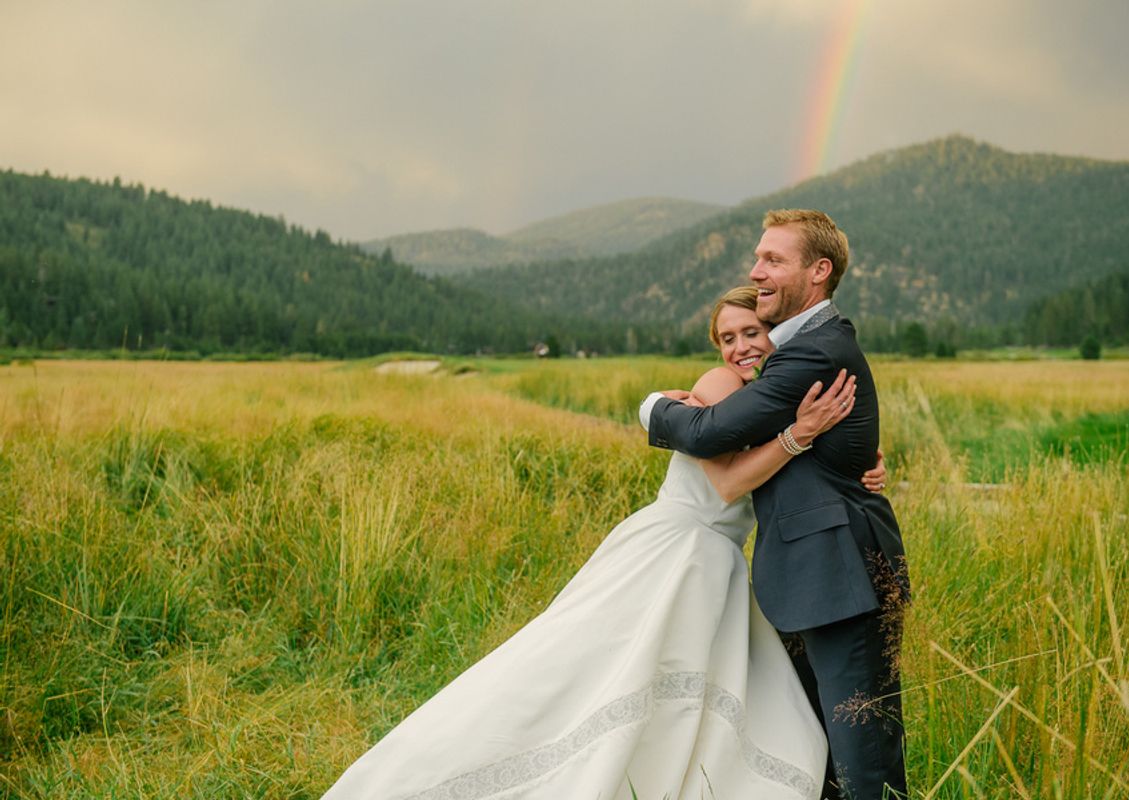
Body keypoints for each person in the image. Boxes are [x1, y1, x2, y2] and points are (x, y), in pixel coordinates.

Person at [320, 287, 887, 800]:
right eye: (727, 338)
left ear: (773, 329)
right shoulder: (721, 386)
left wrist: (858, 467)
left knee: (676, 680)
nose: (740, 347)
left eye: (751, 333)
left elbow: (787, 472)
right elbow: (729, 481)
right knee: (606, 665)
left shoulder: (767, 394)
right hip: (681, 548)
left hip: (713, 559)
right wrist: (799, 435)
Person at [641, 210, 908, 800]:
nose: (757, 270)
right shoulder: (784, 363)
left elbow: (711, 435)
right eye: (757, 258)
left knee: (862, 751)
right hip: (801, 577)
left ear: (819, 271)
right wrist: (829, 449)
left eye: (773, 260)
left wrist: (653, 408)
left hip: (840, 577)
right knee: (815, 742)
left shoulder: (812, 351)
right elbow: (757, 438)